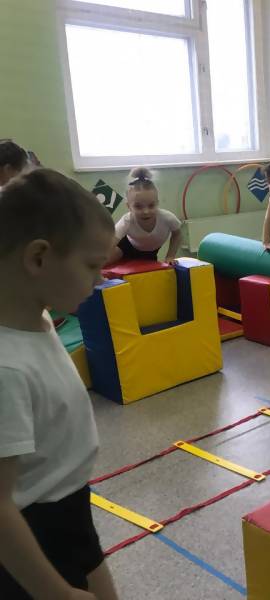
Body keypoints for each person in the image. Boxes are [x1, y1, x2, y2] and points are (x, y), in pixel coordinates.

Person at [0, 169, 119, 600]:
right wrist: (55, 592)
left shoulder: (38, 316)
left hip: (70, 510)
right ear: (38, 258)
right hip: (34, 531)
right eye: (92, 266)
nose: (99, 279)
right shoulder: (7, 368)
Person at [106, 167, 182, 265]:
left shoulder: (167, 218)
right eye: (138, 206)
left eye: (151, 205)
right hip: (126, 247)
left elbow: (177, 234)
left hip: (150, 254)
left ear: (157, 203)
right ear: (129, 206)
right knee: (105, 259)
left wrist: (170, 256)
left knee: (148, 270)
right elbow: (111, 242)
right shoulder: (127, 220)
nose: (146, 211)